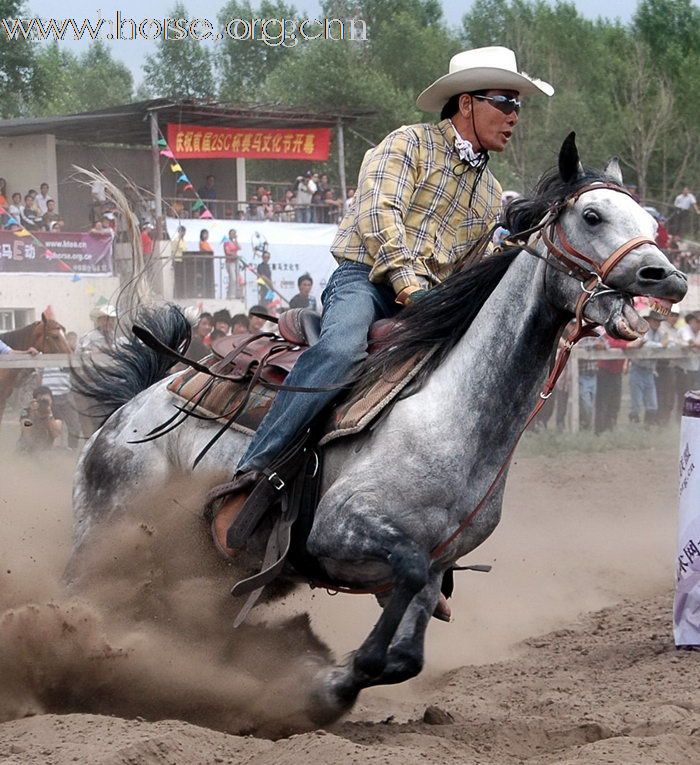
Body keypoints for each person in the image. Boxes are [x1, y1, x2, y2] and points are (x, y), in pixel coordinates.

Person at [209, 45, 554, 567]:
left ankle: (410, 532)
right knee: (344, 347)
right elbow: (379, 216)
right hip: (365, 280)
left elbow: (474, 262)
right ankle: (254, 469)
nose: (513, 116)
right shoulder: (406, 145)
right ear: (465, 103)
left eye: (518, 105)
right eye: (504, 101)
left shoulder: (489, 193)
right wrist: (410, 285)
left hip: (426, 300)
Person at [627, 309, 668, 425]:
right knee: (636, 402)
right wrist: (661, 345)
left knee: (652, 403)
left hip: (650, 371)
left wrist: (664, 344)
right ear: (649, 320)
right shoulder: (642, 331)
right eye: (655, 321)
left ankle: (648, 426)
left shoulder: (660, 334)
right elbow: (645, 343)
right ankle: (634, 426)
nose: (657, 323)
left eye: (659, 321)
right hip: (637, 369)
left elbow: (669, 344)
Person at [17, 386, 63, 453]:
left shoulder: (56, 412)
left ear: (52, 401)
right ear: (34, 401)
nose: (43, 404)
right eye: (40, 401)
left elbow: (55, 434)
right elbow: (26, 432)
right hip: (26, 447)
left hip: (47, 450)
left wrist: (49, 414)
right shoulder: (25, 411)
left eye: (46, 401)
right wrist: (32, 413)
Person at [224, 228, 241, 299]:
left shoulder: (234, 242)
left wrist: (236, 240)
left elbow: (239, 248)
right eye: (232, 233)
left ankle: (234, 294)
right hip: (229, 262)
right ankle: (231, 295)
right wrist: (233, 254)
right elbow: (227, 251)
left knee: (237, 278)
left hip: (235, 261)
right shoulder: (226, 242)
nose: (233, 235)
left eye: (234, 233)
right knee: (232, 278)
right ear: (229, 234)